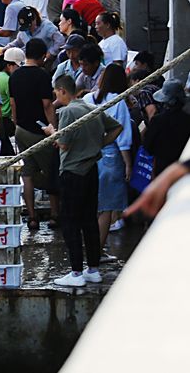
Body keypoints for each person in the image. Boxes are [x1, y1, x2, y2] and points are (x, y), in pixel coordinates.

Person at [43, 75, 122, 287]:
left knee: (70, 222)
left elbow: (64, 144)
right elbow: (117, 128)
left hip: (73, 171)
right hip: (91, 170)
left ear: (61, 91)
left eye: (56, 93)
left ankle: (76, 272)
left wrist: (52, 132)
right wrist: (98, 144)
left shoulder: (69, 111)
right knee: (89, 221)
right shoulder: (90, 108)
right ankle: (93, 269)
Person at [82, 63, 132, 263]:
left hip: (87, 156)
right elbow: (123, 136)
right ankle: (97, 252)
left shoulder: (87, 99)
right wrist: (128, 164)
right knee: (106, 208)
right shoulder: (118, 102)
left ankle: (91, 250)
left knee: (92, 206)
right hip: (110, 157)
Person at [10, 39, 60, 230]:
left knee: (27, 174)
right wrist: (53, 130)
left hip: (21, 130)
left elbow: (13, 104)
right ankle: (55, 215)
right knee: (51, 172)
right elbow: (47, 105)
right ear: (42, 56)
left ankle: (32, 217)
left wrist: (16, 123)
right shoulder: (42, 75)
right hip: (40, 130)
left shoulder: (15, 75)